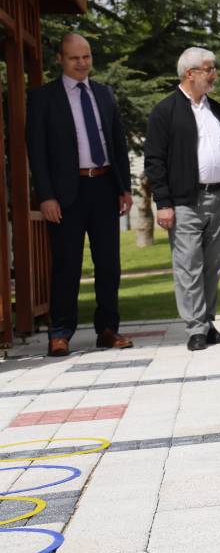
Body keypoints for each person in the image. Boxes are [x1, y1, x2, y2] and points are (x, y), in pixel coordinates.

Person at [26, 34, 134, 357]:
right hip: (65, 193)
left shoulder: (104, 94)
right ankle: (60, 333)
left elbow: (118, 143)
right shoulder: (43, 98)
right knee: (66, 264)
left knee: (109, 265)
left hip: (103, 187)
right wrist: (45, 196)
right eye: (74, 58)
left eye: (86, 56)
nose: (82, 63)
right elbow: (37, 151)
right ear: (60, 58)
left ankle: (108, 329)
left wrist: (124, 187)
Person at [144, 47, 220, 351]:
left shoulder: (218, 110)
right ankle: (196, 328)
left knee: (214, 264)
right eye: (209, 69)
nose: (215, 75)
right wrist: (163, 203)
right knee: (188, 264)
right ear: (190, 73)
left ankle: (207, 322)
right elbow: (155, 160)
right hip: (184, 200)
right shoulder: (165, 111)